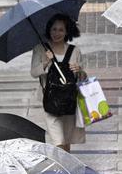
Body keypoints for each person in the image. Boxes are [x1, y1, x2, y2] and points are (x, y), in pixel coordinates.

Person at [30, 14, 86, 152]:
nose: (57, 33)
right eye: (54, 29)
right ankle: (62, 169)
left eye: (61, 30)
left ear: (67, 32)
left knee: (66, 143)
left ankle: (65, 171)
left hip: (69, 101)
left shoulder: (75, 51)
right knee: (58, 142)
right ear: (49, 30)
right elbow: (33, 72)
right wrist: (45, 62)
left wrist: (80, 71)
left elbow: (82, 78)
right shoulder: (40, 49)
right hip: (50, 101)